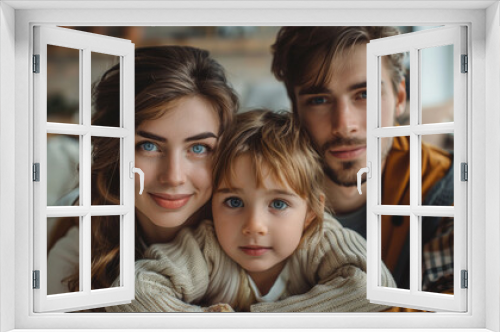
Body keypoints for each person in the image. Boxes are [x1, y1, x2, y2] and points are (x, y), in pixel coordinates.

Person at [106, 109, 396, 312]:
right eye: (233, 202)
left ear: (311, 211)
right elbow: (132, 291)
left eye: (278, 204)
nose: (254, 226)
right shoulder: (207, 248)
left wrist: (261, 322)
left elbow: (375, 285)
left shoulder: (318, 238)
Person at [270, 26, 454, 292]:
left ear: (399, 97)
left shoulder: (444, 190)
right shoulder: (257, 185)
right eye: (319, 100)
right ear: (296, 110)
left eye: (365, 94)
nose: (344, 125)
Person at [47, 45, 239, 296]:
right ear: (113, 150)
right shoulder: (75, 254)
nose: (173, 176)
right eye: (148, 146)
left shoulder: (254, 235)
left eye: (199, 148)